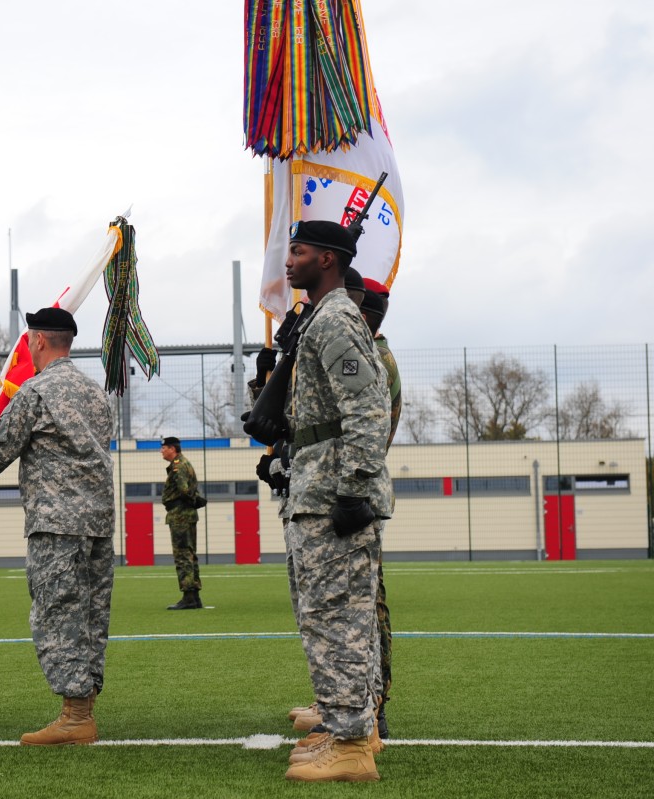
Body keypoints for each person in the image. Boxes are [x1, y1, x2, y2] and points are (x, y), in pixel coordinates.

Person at [0, 307, 114, 746]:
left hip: (56, 522)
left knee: (56, 613)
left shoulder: (36, 392)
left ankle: (75, 717)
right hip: (98, 522)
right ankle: (83, 708)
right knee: (91, 615)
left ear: (37, 340)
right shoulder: (95, 393)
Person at [274, 221, 392, 783]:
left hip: (333, 494)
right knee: (342, 616)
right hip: (318, 486)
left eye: (297, 251)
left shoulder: (337, 318)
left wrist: (353, 488)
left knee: (334, 618)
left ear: (327, 259)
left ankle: (348, 745)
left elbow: (368, 408)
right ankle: (357, 729)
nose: (287, 259)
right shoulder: (320, 318)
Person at [359, 279, 400, 740]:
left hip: (359, 492)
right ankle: (354, 696)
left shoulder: (374, 357)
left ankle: (375, 701)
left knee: (369, 604)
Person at [160, 436, 202, 610]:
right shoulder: (182, 464)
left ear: (172, 449)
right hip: (185, 514)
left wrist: (192, 499)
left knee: (183, 555)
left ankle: (189, 596)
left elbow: (184, 490)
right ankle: (194, 596)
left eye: (164, 448)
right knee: (189, 554)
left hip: (180, 515)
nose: (161, 451)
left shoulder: (178, 466)